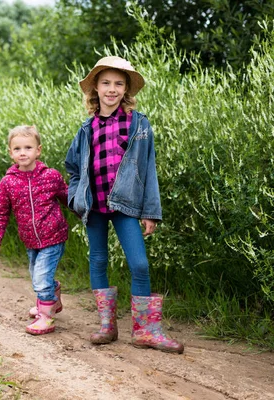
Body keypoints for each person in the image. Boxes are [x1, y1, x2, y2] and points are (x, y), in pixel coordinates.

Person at [65, 56, 184, 353]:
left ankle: (146, 330)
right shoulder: (86, 129)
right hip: (94, 206)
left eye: (119, 83)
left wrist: (150, 211)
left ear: (126, 89)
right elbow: (73, 168)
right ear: (95, 89)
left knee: (140, 263)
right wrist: (75, 197)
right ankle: (107, 326)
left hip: (126, 205)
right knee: (98, 260)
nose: (112, 89)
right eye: (106, 83)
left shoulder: (139, 125)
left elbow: (148, 168)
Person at [0, 125, 69, 335]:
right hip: (30, 239)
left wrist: (87, 215)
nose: (23, 152)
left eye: (28, 148)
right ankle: (52, 295)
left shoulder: (51, 176)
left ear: (38, 150)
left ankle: (46, 317)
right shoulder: (8, 182)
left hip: (54, 235)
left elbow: (68, 198)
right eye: (17, 149)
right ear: (10, 153)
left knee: (41, 278)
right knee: (37, 276)